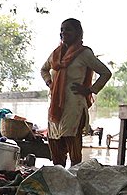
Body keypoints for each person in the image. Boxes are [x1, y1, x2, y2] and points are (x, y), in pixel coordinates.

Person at [40, 18, 112, 167]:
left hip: (74, 104)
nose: (63, 32)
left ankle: (74, 176)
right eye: (62, 29)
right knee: (54, 141)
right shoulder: (56, 54)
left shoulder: (84, 53)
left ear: (78, 33)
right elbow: (44, 69)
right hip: (55, 105)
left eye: (68, 29)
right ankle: (59, 177)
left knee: (72, 142)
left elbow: (105, 73)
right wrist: (50, 83)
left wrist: (90, 89)